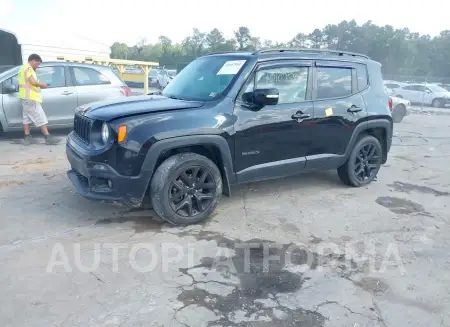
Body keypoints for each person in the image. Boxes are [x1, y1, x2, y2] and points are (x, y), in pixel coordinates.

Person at [18, 53, 60, 145]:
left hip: (25, 97)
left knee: (26, 118)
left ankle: (27, 137)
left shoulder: (22, 68)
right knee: (40, 116)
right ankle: (48, 137)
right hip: (30, 98)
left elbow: (26, 83)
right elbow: (32, 82)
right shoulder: (28, 68)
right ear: (33, 61)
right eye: (37, 64)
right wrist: (42, 85)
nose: (37, 66)